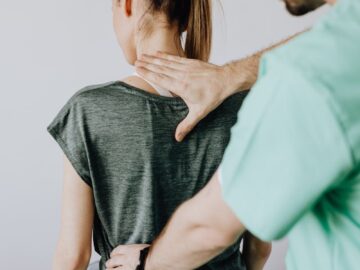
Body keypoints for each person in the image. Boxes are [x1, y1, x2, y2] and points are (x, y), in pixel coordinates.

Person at [107, 0, 360, 269]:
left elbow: (213, 228)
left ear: (126, 5)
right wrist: (233, 75)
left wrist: (147, 262)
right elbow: (258, 248)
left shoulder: (307, 79)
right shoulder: (336, 51)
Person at [47, 0, 276, 270]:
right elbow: (259, 246)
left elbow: (73, 257)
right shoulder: (244, 105)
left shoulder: (88, 111)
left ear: (127, 5)